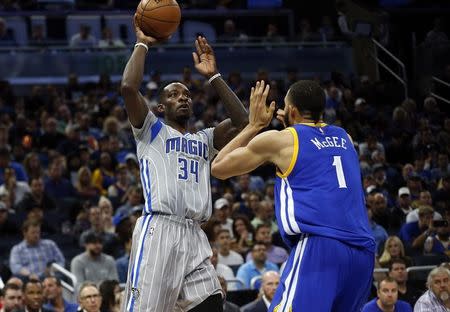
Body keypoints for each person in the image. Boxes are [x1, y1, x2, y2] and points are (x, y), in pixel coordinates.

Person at [119, 16, 248, 311]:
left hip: (193, 233)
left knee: (212, 303)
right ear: (161, 107)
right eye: (174, 95)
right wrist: (142, 43)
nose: (183, 98)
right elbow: (128, 87)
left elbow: (243, 121)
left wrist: (214, 76)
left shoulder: (204, 139)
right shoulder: (150, 129)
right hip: (159, 230)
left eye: (187, 94)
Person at [211, 80, 376, 311]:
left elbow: (218, 167)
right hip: (363, 251)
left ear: (293, 111)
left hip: (321, 245)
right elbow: (316, 148)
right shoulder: (345, 138)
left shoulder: (281, 139)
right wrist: (293, 124)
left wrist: (254, 125)